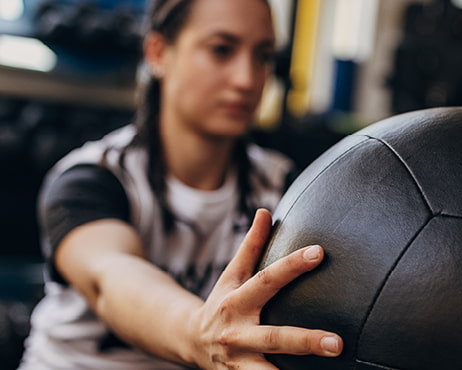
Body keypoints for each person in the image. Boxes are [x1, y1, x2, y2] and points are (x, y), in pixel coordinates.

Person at [19, 0, 343, 368]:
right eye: (221, 50)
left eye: (263, 56)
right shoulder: (91, 180)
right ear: (158, 53)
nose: (247, 79)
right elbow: (110, 278)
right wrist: (200, 331)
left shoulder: (283, 184)